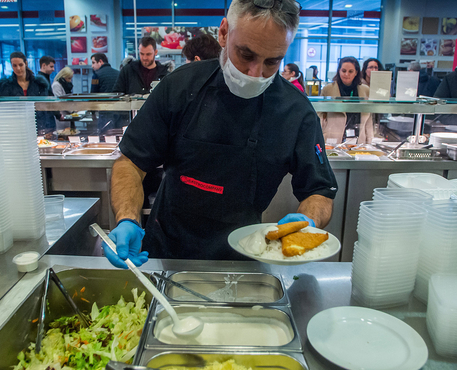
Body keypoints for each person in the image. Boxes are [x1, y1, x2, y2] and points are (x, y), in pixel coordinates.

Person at [102, 0, 337, 268]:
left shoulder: (296, 112)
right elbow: (131, 163)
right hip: (167, 252)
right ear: (223, 33)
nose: (255, 74)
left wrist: (309, 220)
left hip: (245, 258)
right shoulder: (180, 87)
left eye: (272, 61)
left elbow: (319, 191)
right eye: (246, 55)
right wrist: (127, 218)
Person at [319, 57, 372, 144]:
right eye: (343, 71)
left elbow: (369, 118)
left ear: (356, 72)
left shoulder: (365, 90)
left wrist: (370, 140)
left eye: (350, 71)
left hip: (359, 139)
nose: (346, 74)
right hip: (333, 138)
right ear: (339, 71)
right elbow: (320, 115)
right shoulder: (328, 89)